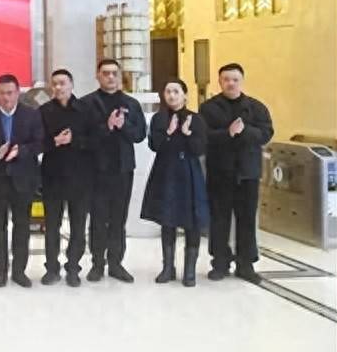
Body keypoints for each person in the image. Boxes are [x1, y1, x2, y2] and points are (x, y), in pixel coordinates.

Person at [199, 63, 274, 284]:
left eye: (235, 80)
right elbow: (203, 136)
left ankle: (246, 264)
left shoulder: (256, 107)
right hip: (220, 173)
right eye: (226, 80)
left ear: (241, 81)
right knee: (219, 219)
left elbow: (266, 133)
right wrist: (228, 133)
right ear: (220, 82)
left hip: (248, 173)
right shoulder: (209, 109)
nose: (230, 83)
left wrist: (245, 131)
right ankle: (220, 263)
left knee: (247, 219)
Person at [0, 74, 45, 288]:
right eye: (2, 93)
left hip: (23, 178)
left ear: (17, 93)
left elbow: (39, 143)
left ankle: (19, 271)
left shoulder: (31, 115)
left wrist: (20, 151)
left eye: (10, 93)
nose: (6, 98)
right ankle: (0, 270)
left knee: (22, 226)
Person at [83, 59, 146, 283]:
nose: (110, 77)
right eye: (105, 73)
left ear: (120, 76)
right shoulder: (87, 103)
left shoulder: (131, 104)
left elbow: (139, 135)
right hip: (96, 170)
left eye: (114, 73)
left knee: (119, 218)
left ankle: (116, 263)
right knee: (98, 218)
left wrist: (122, 126)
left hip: (122, 169)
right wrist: (107, 127)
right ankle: (97, 263)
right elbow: (82, 139)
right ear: (98, 76)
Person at [141, 78, 209, 287]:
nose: (171, 95)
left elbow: (200, 148)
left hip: (189, 171)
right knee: (167, 219)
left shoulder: (196, 119)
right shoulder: (159, 119)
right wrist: (169, 133)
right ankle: (168, 267)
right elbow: (154, 145)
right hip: (166, 171)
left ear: (184, 95)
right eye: (168, 91)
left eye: (176, 91)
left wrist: (187, 134)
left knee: (192, 221)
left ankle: (190, 270)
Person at [39, 69, 94, 287]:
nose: (58, 87)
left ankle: (73, 267)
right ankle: (51, 268)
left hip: (80, 176)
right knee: (51, 225)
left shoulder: (85, 110)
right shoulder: (44, 111)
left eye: (62, 83)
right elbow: (36, 143)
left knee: (78, 226)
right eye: (54, 84)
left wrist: (74, 140)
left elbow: (96, 140)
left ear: (72, 85)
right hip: (52, 176)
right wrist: (55, 142)